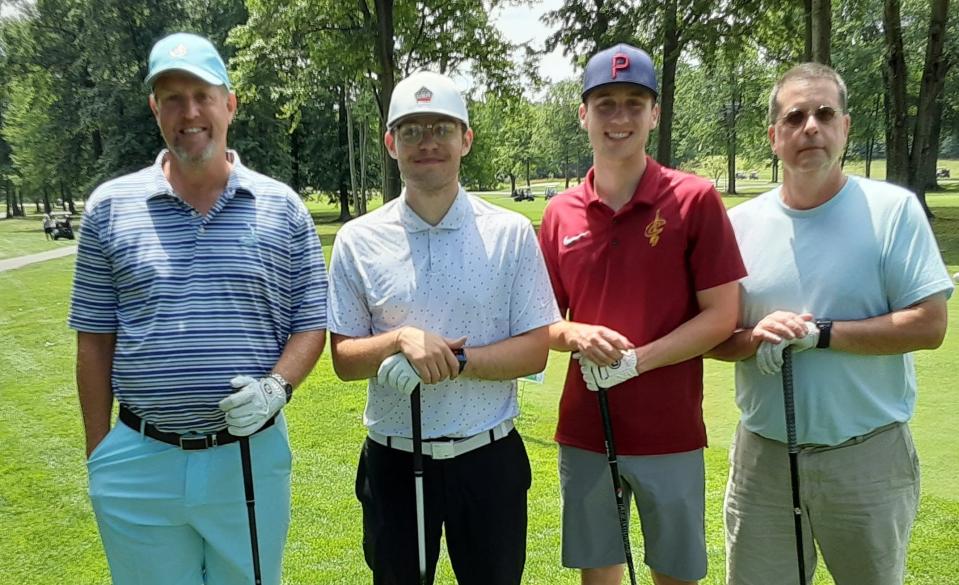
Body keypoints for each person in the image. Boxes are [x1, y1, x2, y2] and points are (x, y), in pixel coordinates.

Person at [68, 32, 328, 585]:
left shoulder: (282, 207)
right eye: (172, 97)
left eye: (203, 95)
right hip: (140, 457)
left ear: (229, 104)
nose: (190, 112)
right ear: (154, 109)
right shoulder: (109, 208)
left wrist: (276, 388)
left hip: (248, 455)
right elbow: (93, 340)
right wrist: (101, 454)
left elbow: (310, 324)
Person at [708, 63, 953, 585]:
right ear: (774, 137)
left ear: (845, 127)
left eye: (824, 113)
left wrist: (819, 334)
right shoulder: (738, 226)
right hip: (764, 462)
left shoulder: (893, 211)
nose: (810, 127)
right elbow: (716, 338)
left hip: (867, 460)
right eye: (794, 117)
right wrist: (757, 337)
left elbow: (929, 325)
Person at [326, 70, 560, 585]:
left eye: (442, 128)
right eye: (411, 130)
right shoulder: (357, 239)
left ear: (466, 139)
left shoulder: (511, 234)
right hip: (393, 460)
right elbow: (343, 358)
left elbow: (536, 350)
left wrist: (453, 361)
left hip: (488, 458)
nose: (426, 142)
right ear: (391, 143)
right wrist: (399, 340)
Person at [538, 43, 746, 585]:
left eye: (635, 103)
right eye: (605, 103)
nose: (620, 117)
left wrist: (637, 361)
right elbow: (542, 321)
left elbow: (723, 314)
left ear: (655, 113)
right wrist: (576, 332)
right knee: (599, 572)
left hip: (669, 430)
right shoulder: (559, 212)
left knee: (674, 573)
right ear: (583, 114)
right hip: (586, 428)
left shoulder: (694, 199)